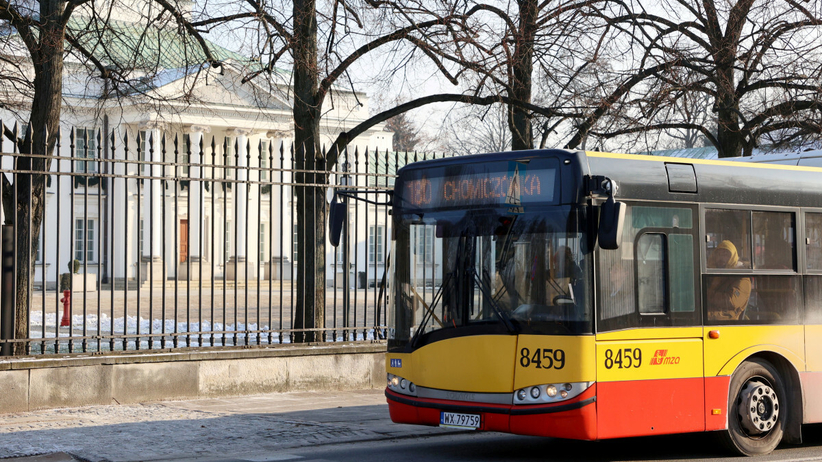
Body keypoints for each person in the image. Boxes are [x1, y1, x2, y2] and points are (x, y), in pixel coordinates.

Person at [707, 240, 751, 321]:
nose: (721, 258)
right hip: (712, 314)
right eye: (719, 254)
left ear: (733, 256)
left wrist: (705, 294)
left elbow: (732, 301)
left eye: (725, 254)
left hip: (727, 319)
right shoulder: (712, 274)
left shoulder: (742, 278)